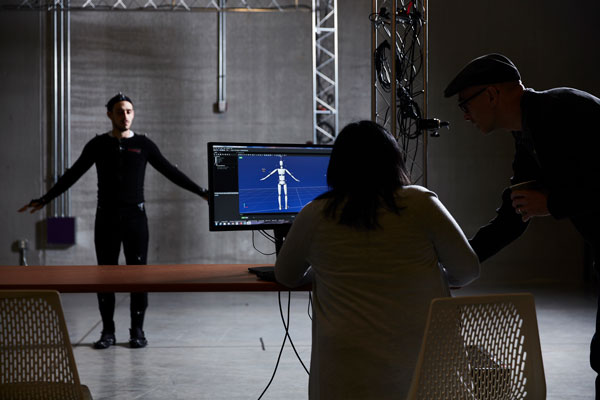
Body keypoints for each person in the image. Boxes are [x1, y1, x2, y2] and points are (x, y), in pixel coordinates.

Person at [274, 120, 480, 399]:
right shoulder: (421, 202)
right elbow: (467, 270)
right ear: (394, 161)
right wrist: (431, 272)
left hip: (345, 378)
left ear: (337, 167)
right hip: (426, 374)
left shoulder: (314, 213)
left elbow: (286, 276)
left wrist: (322, 270)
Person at [443, 53, 600, 397]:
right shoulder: (528, 134)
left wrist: (553, 203)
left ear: (492, 94)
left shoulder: (564, 110)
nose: (465, 115)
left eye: (465, 105)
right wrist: (457, 267)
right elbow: (514, 214)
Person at [19, 93, 208, 350]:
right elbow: (73, 174)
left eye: (129, 111)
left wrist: (202, 192)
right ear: (110, 114)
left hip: (135, 219)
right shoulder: (98, 145)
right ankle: (107, 331)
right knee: (105, 276)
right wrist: (45, 199)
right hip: (106, 218)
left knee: (138, 276)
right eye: (120, 111)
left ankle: (137, 331)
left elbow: (170, 171)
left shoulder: (143, 144)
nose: (125, 116)